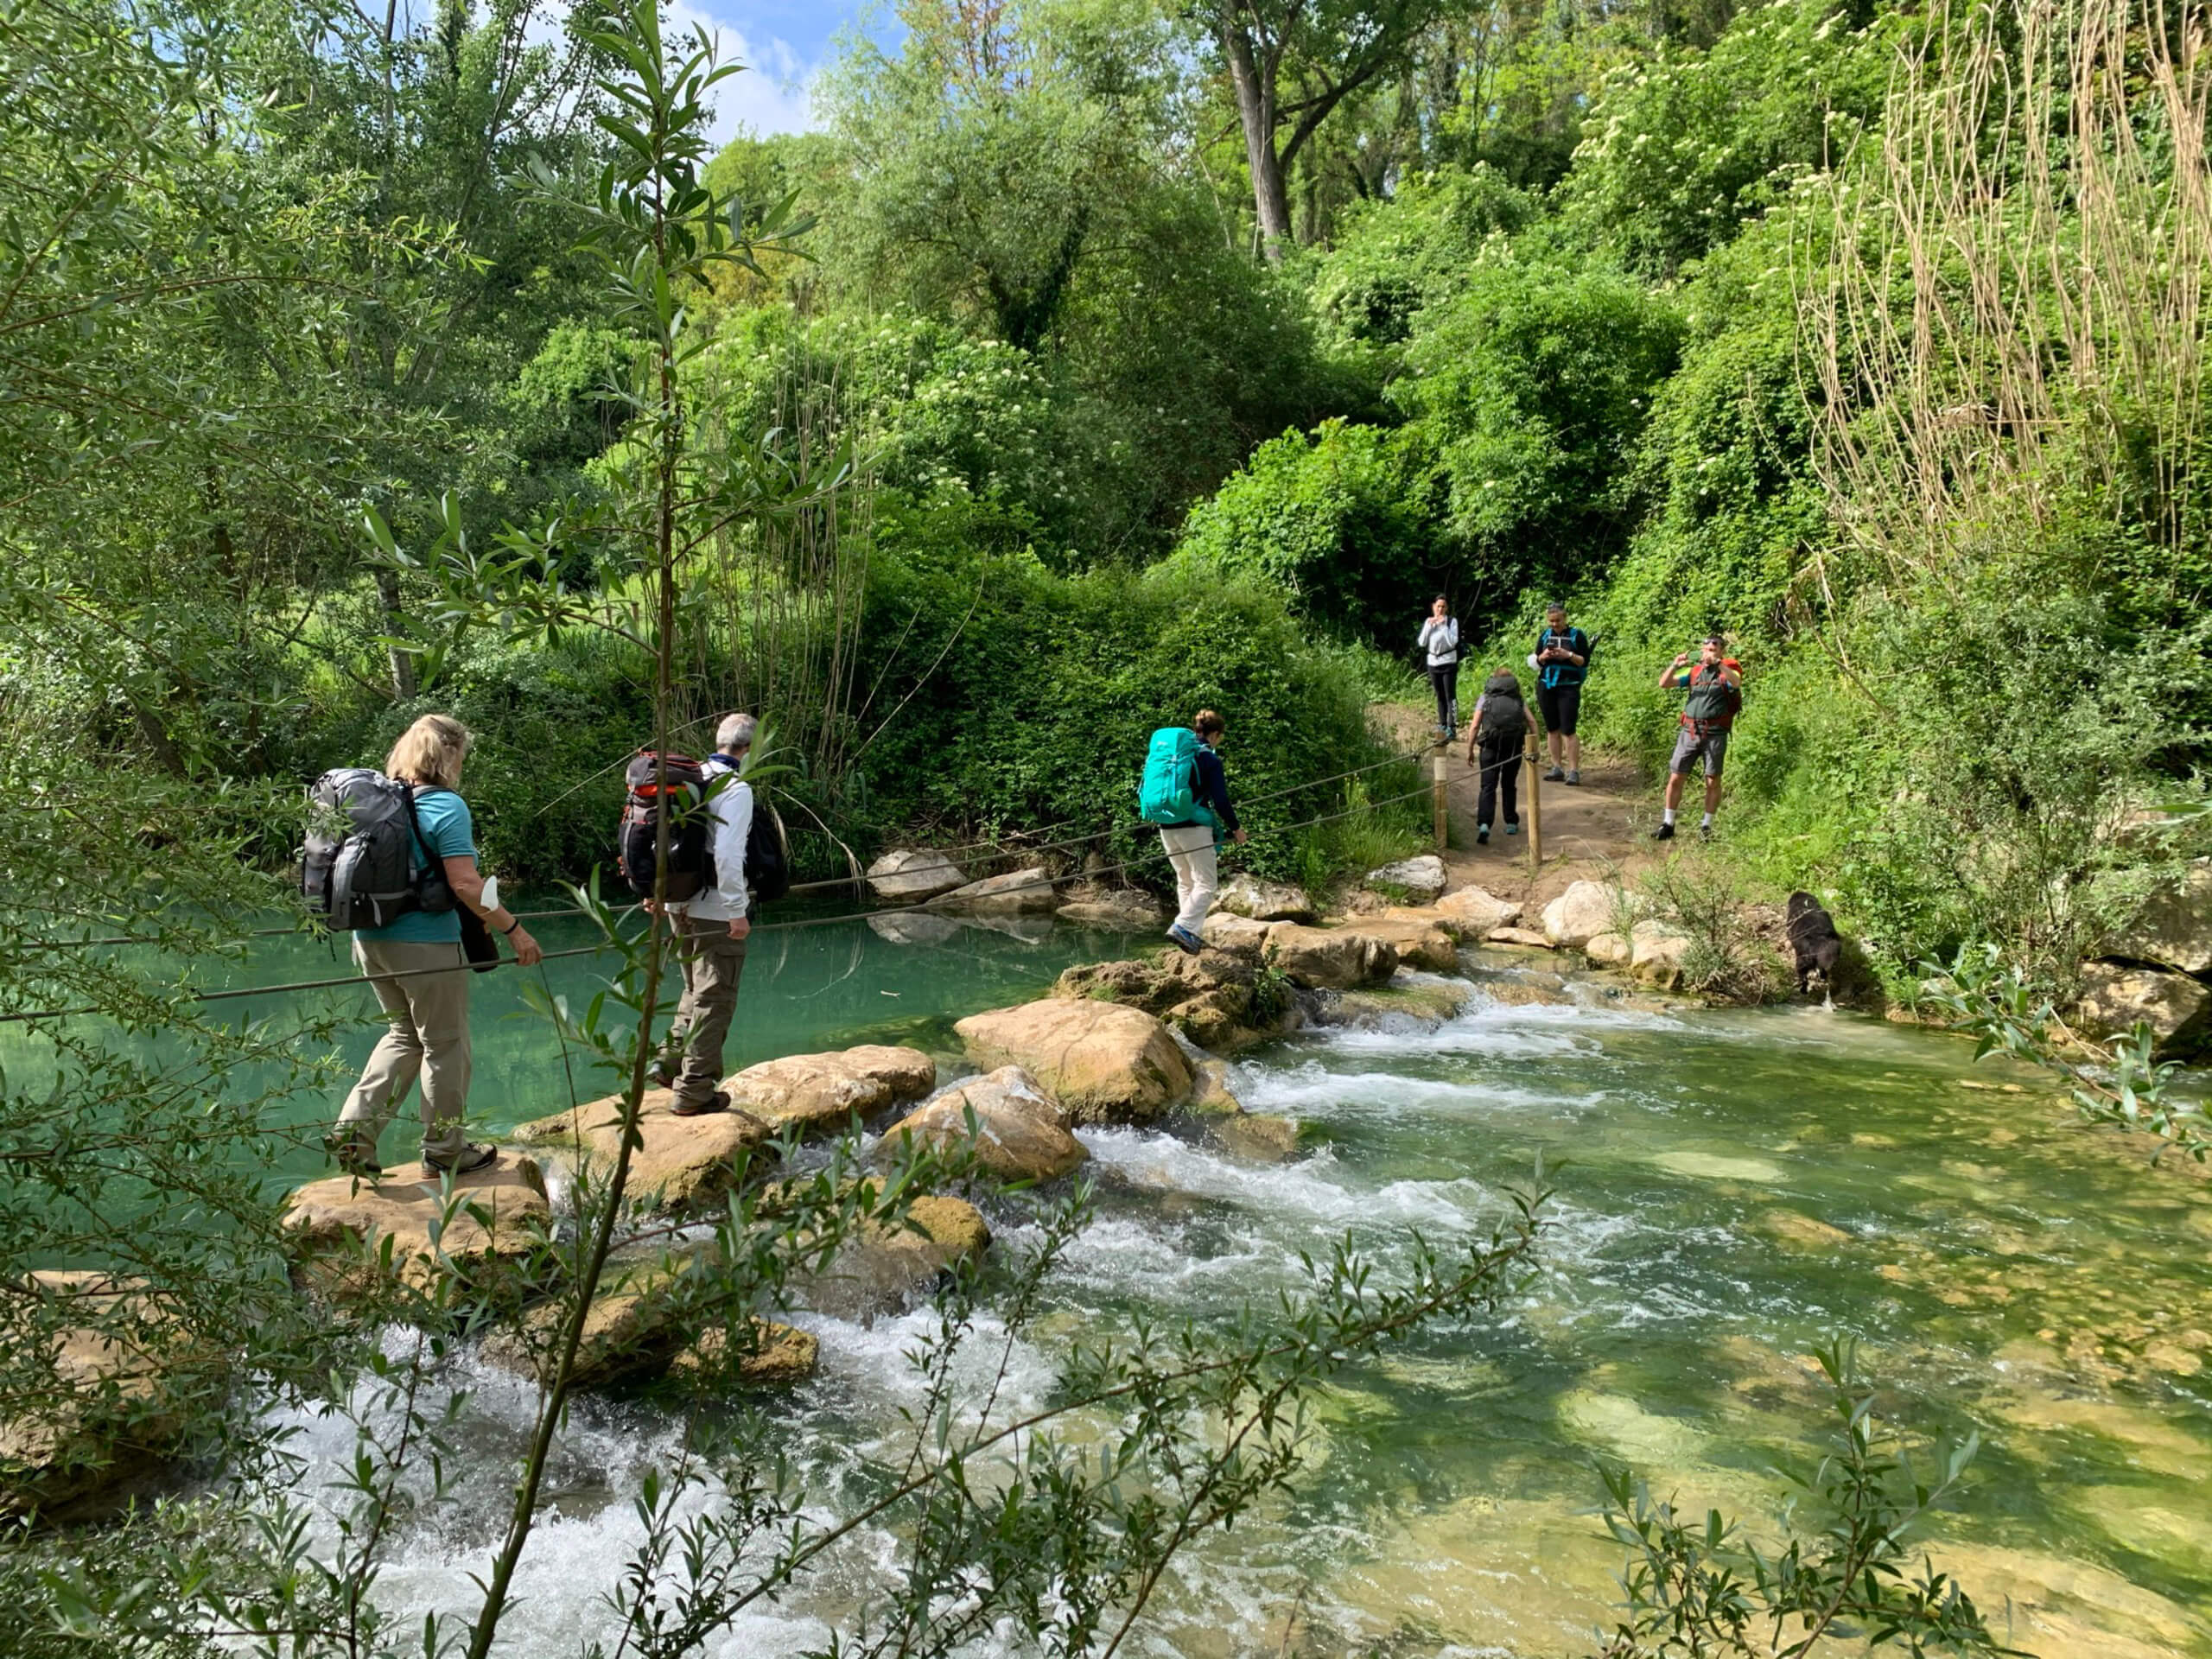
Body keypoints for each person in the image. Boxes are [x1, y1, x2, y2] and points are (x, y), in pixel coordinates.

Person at [327, 714, 543, 1179]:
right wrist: (515, 930)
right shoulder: (445, 804)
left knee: (403, 1036)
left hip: (369, 940)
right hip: (425, 944)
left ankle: (352, 1134)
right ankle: (446, 1151)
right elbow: (465, 884)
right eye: (461, 755)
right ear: (449, 754)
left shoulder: (377, 804)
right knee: (445, 1045)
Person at [646, 712, 755, 1115]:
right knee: (717, 997)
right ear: (748, 748)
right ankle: (694, 1091)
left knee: (694, 988)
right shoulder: (735, 788)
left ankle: (667, 1062)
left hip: (677, 902)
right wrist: (736, 911)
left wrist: (656, 893)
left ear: (718, 738)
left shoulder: (689, 778)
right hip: (712, 907)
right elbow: (727, 855)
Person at [1162, 709, 1246, 955]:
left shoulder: (1175, 755)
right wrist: (1236, 828)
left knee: (1186, 881)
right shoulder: (1209, 759)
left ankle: (1189, 935)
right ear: (1216, 734)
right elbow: (1220, 800)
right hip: (1194, 828)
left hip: (1166, 827)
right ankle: (1183, 927)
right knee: (1207, 883)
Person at [1654, 636, 1742, 841]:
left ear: (1721, 651)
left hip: (1715, 734)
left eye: (1713, 649)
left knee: (1712, 780)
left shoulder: (1729, 669)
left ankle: (1706, 827)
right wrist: (1675, 665)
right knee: (1676, 776)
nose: (1708, 653)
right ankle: (1668, 824)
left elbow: (1736, 683)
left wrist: (1719, 664)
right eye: (1705, 649)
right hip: (1690, 731)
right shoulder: (1694, 672)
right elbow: (1664, 684)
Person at [1465, 667, 1538, 845]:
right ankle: (1511, 822)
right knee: (1509, 784)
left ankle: (1484, 824)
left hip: (1490, 747)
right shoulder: (1518, 699)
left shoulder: (1485, 698)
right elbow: (1532, 722)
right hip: (1513, 748)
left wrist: (1469, 749)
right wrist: (1535, 747)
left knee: (1488, 786)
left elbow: (1475, 726)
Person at [1531, 602, 1591, 785]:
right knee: (1552, 728)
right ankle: (1556, 767)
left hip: (1569, 686)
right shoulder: (1545, 636)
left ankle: (1573, 770)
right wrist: (1543, 657)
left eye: (1557, 621)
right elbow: (1536, 660)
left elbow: (1584, 661)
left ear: (1565, 618)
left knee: (1568, 729)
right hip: (1546, 685)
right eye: (1551, 621)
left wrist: (1568, 654)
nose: (1555, 624)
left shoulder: (1577, 635)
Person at [1418, 595, 1462, 741]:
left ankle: (1452, 727)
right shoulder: (1429, 621)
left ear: (1447, 608)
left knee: (1450, 695)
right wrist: (1430, 626)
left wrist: (1443, 626)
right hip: (1433, 663)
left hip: (1448, 662)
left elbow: (1453, 642)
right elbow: (1422, 642)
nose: (1440, 609)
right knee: (1440, 695)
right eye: (1438, 606)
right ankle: (1442, 724)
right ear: (1433, 607)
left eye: (1443, 606)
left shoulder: (1451, 622)